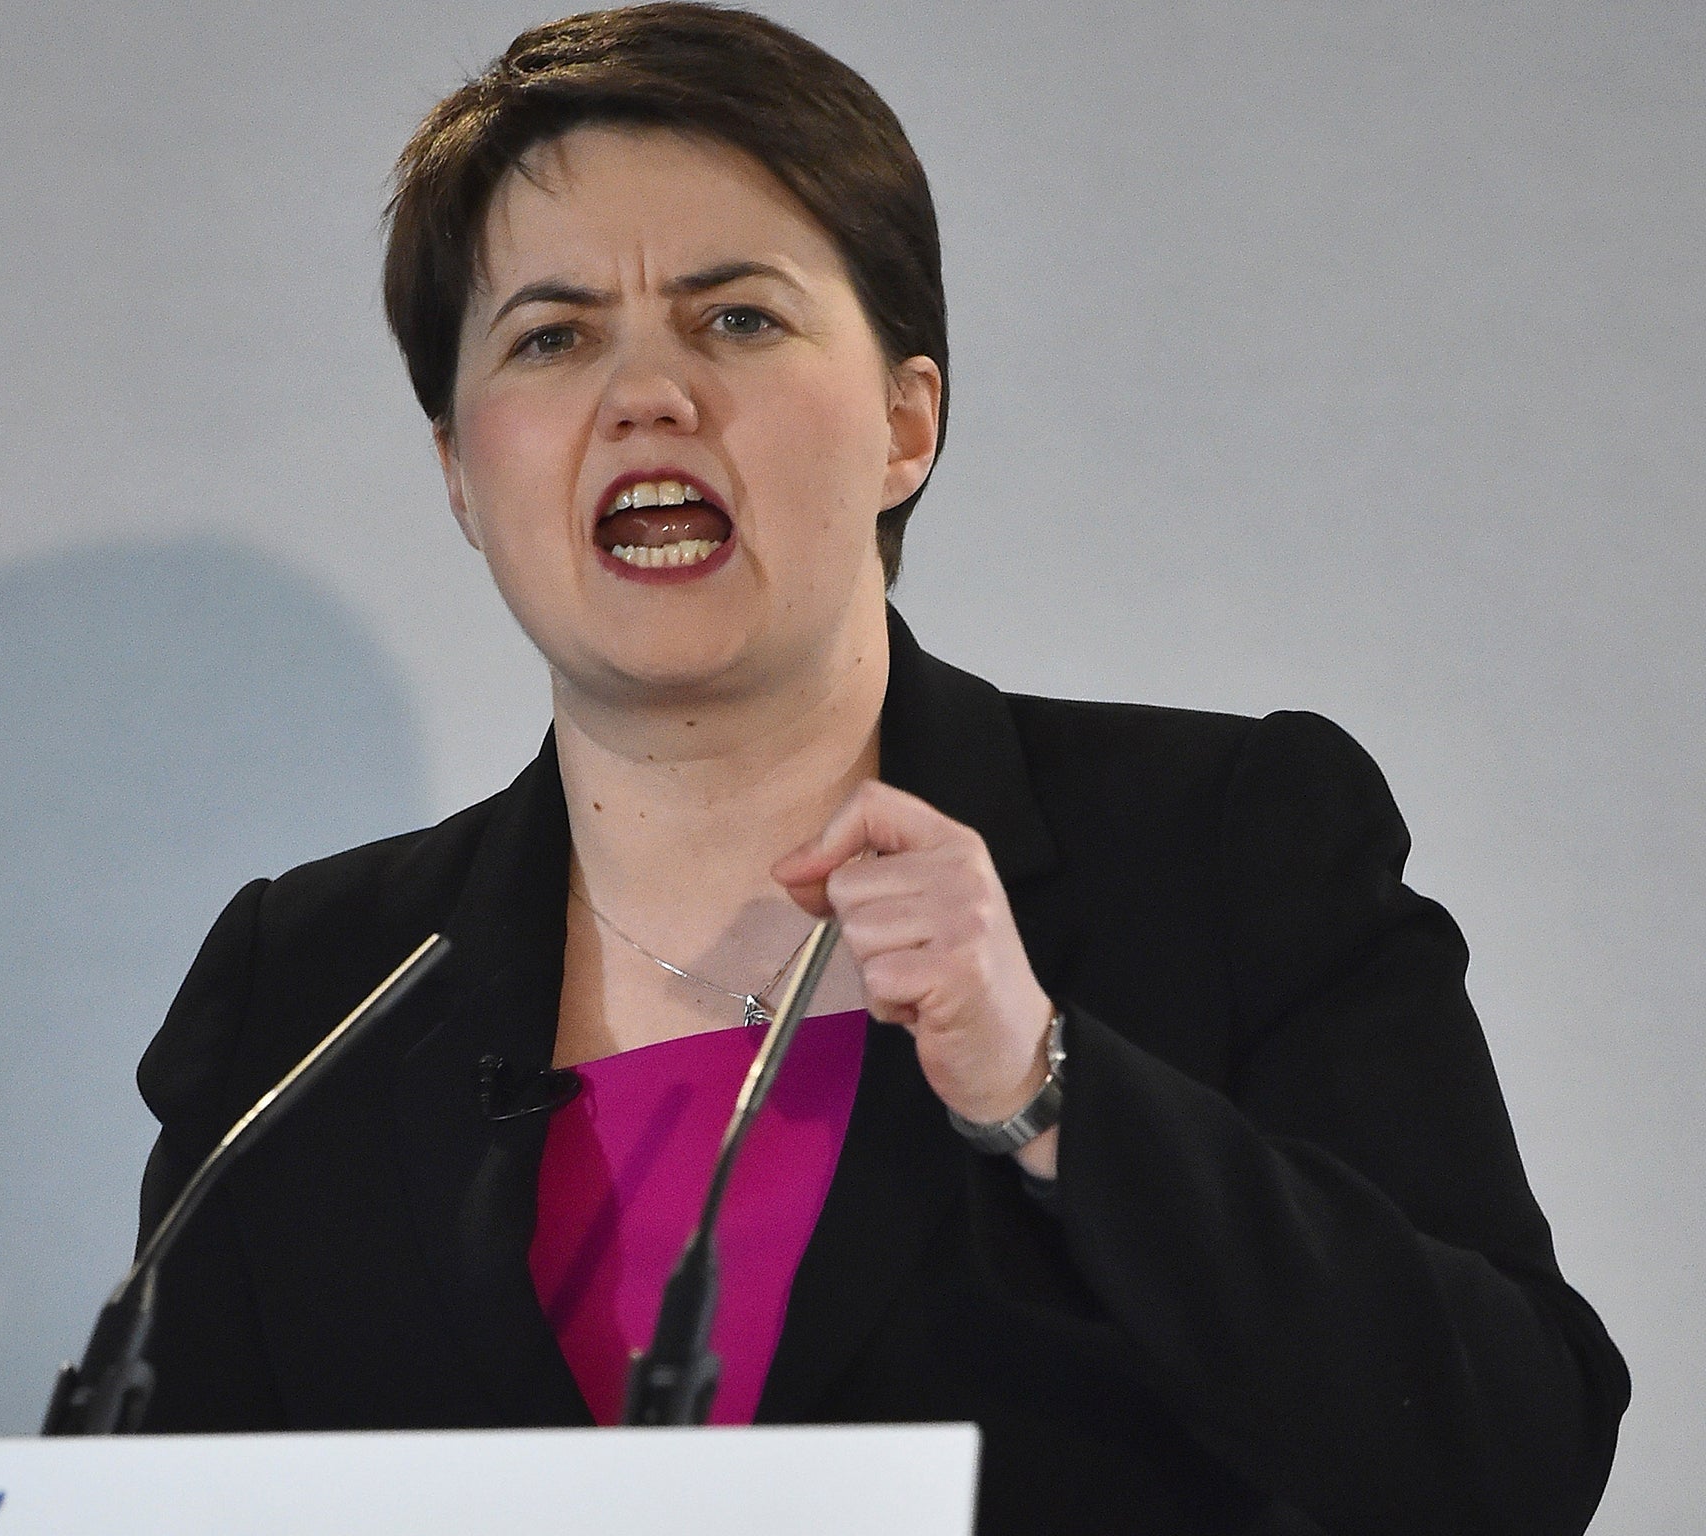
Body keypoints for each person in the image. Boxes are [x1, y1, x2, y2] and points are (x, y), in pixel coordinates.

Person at [132, 6, 1628, 1530]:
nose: (647, 394)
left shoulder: (1219, 848)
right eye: (554, 335)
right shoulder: (307, 1003)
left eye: (737, 320)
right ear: (462, 470)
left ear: (906, 421)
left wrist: (1052, 1087)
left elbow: (1513, 1456)